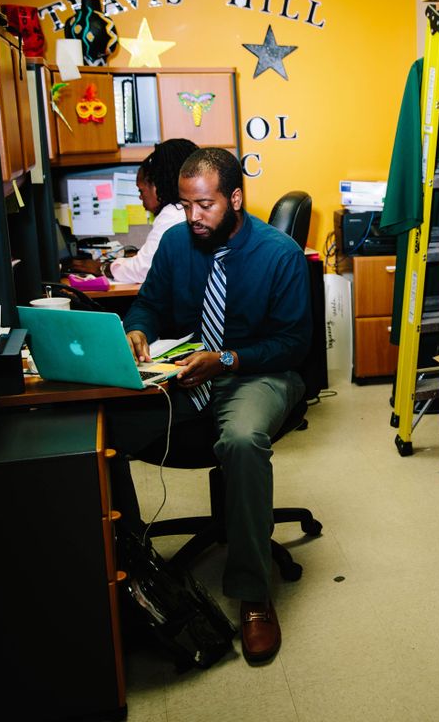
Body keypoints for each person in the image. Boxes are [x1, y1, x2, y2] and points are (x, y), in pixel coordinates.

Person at [106, 147, 311, 665]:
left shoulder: (278, 254)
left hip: (258, 371)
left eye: (204, 206)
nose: (192, 217)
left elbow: (293, 344)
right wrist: (138, 328)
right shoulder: (177, 242)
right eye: (185, 205)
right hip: (188, 369)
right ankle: (133, 572)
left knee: (241, 440)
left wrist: (225, 359)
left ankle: (253, 594)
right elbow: (150, 302)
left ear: (235, 198)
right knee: (105, 431)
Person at [66, 138, 198, 282]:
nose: (140, 198)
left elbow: (143, 269)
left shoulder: (172, 214)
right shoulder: (190, 210)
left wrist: (102, 268)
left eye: (141, 191)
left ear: (156, 185)